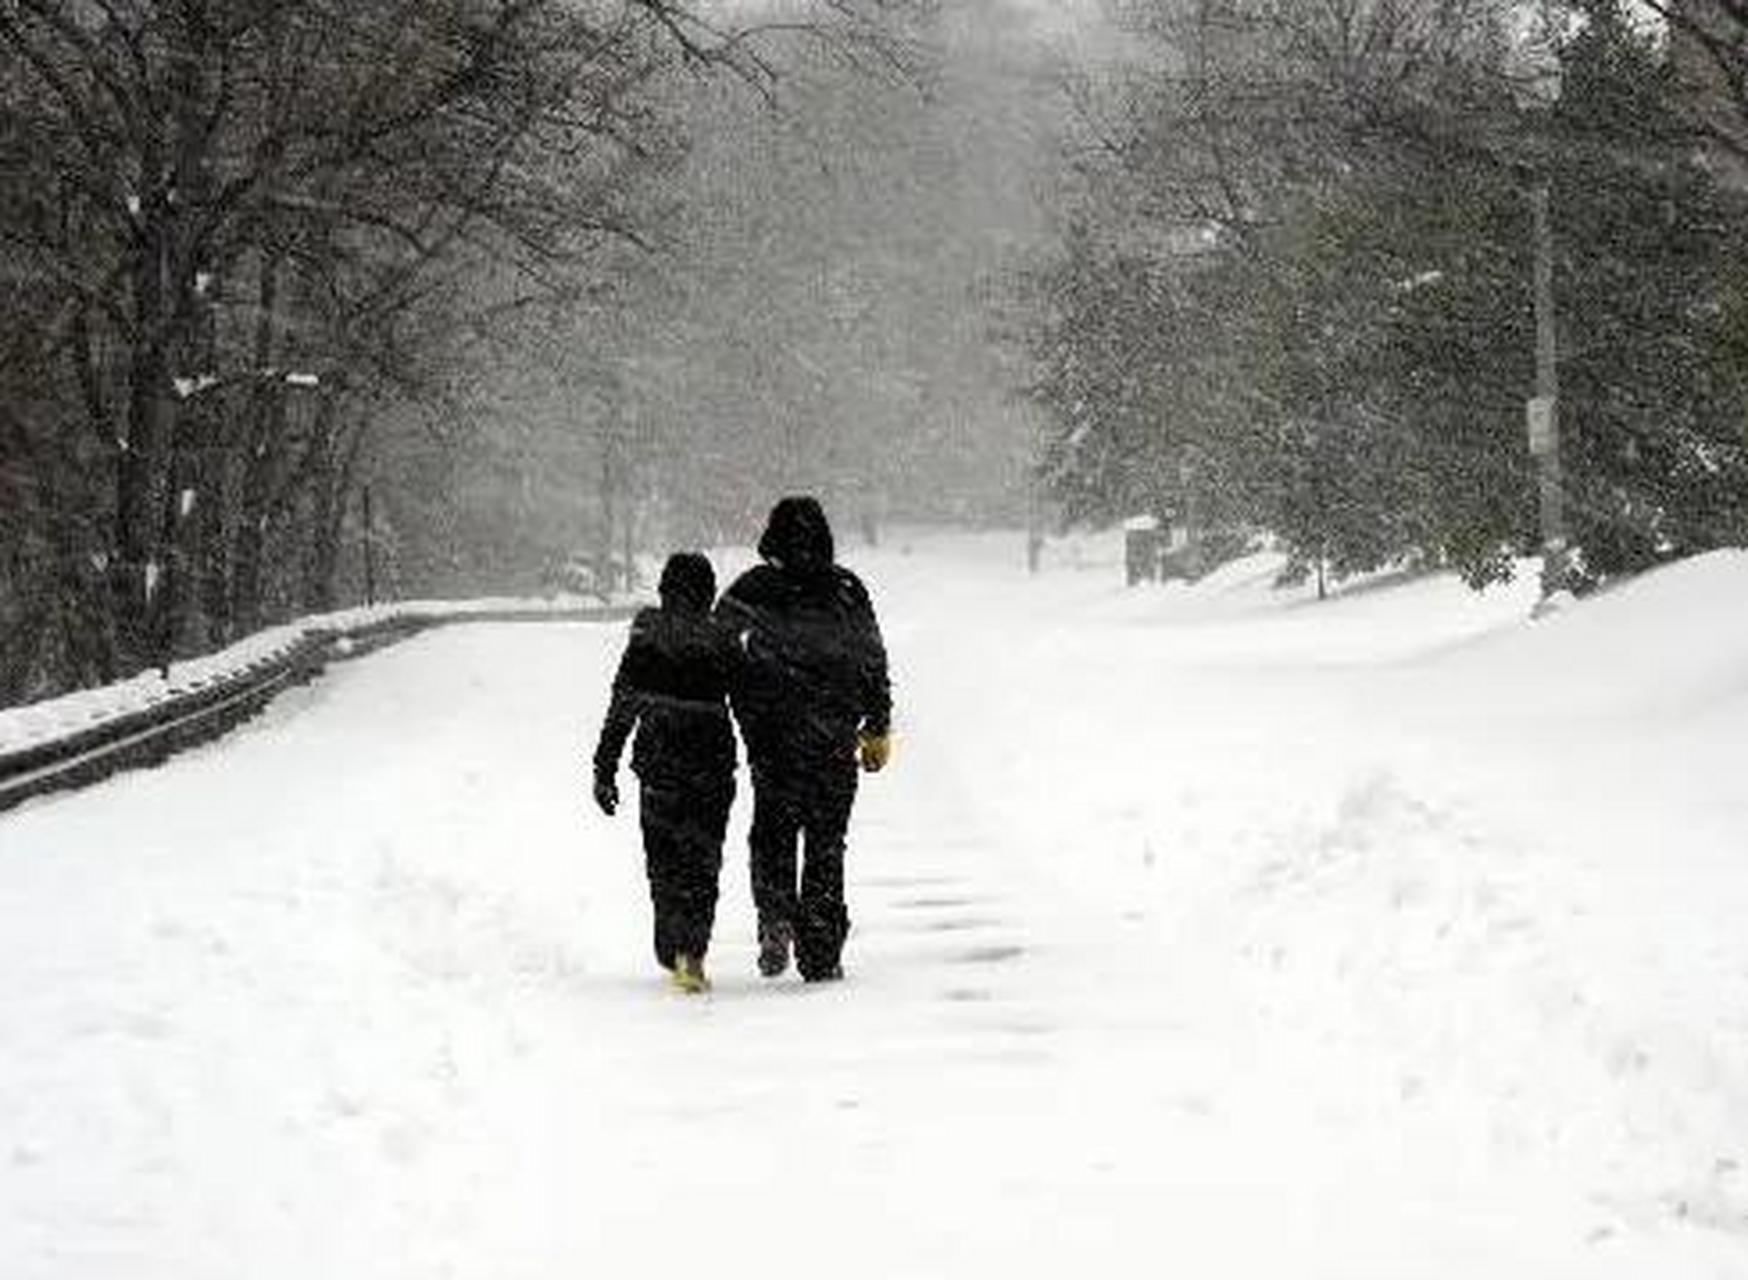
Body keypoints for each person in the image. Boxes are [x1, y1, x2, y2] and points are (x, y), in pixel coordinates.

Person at [718, 496, 892, 983]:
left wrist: (740, 701)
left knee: (773, 835)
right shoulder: (846, 589)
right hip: (833, 739)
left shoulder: (752, 590)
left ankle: (775, 915)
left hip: (772, 739)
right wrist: (877, 725)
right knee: (826, 844)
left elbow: (714, 648)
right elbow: (872, 660)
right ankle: (820, 949)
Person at [593, 552, 739, 994]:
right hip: (711, 763)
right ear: (709, 592)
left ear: (664, 588)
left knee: (664, 861)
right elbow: (752, 703)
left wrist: (605, 765)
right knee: (703, 860)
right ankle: (691, 952)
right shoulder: (722, 637)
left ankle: (671, 945)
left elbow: (623, 703)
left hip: (659, 763)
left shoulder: (647, 634)